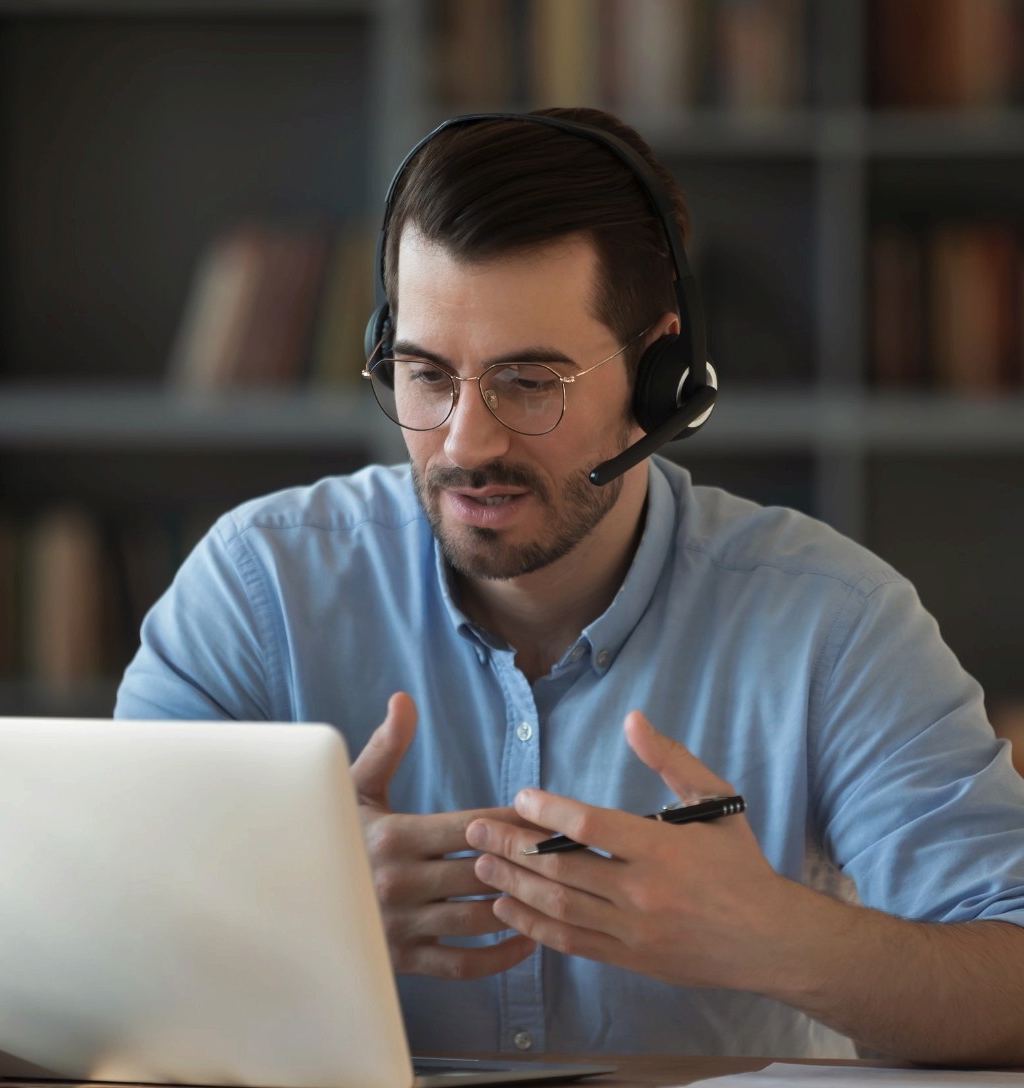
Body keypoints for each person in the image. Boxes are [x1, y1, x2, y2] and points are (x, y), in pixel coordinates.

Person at [115, 108, 1024, 1065]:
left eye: (528, 382)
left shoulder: (831, 621)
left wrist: (774, 937)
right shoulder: (257, 588)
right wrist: (294, 917)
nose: (466, 442)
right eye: (426, 376)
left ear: (659, 373)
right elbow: (89, 930)